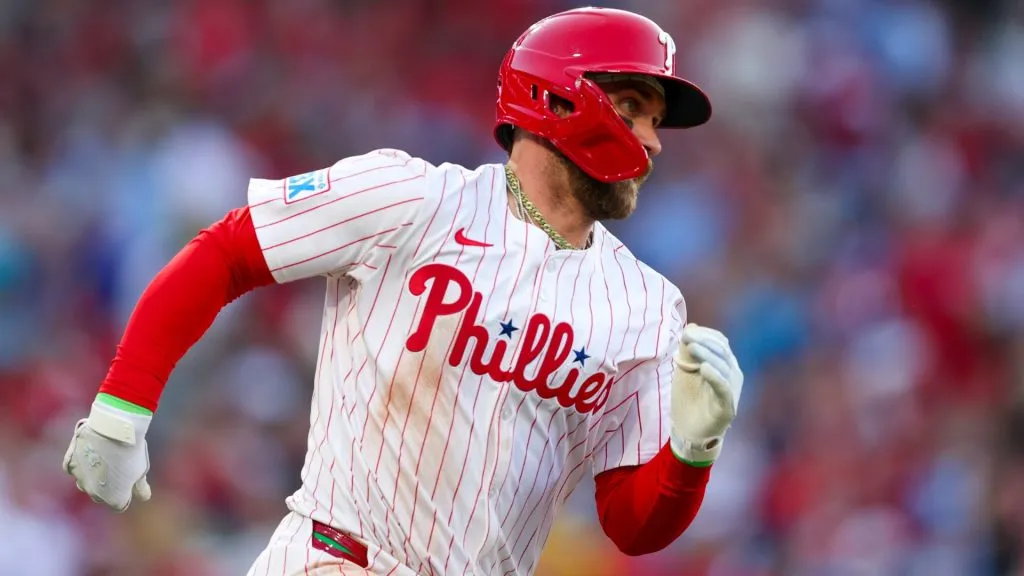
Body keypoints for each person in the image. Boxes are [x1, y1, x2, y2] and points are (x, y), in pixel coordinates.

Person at [62, 7, 745, 575]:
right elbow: (228, 252)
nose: (653, 144)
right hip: (336, 560)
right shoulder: (415, 198)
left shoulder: (647, 306)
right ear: (560, 96)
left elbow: (630, 524)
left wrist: (692, 448)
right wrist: (122, 408)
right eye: (635, 108)